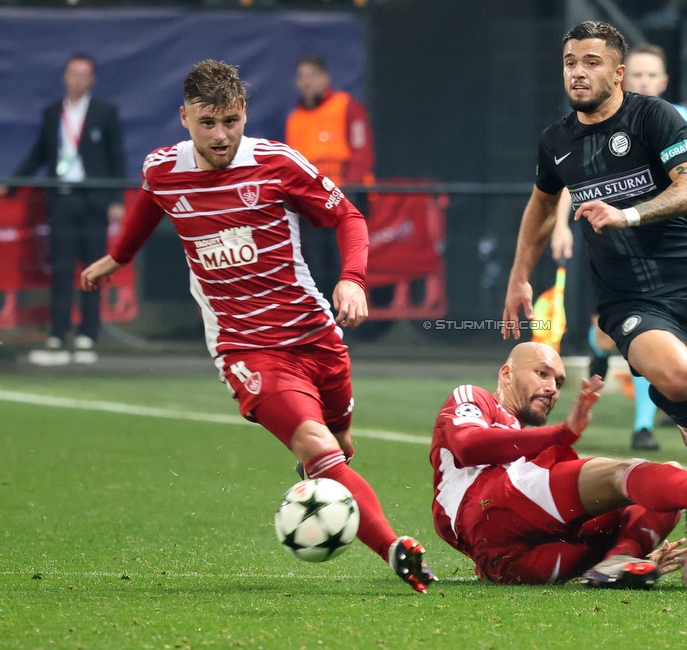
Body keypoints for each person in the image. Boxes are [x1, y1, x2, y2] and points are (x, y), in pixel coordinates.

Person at [79, 60, 436, 594]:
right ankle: (394, 549)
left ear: (243, 113)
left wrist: (354, 280)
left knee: (339, 444)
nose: (220, 136)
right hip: (245, 347)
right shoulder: (162, 170)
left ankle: (323, 471)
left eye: (230, 121)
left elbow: (349, 217)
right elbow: (149, 205)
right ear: (184, 118)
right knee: (317, 445)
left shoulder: (278, 163)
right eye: (207, 124)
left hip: (316, 334)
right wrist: (118, 257)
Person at [502, 21, 687, 587]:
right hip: (627, 297)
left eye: (591, 61)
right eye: (570, 62)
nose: (578, 71)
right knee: (677, 372)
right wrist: (520, 277)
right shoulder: (557, 141)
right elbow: (542, 210)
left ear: (617, 72)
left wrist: (629, 212)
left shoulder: (655, 118)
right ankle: (685, 418)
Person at [430, 342, 687, 588]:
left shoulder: (527, 450)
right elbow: (467, 445)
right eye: (542, 374)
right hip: (483, 506)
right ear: (507, 373)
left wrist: (645, 557)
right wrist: (562, 433)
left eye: (559, 381)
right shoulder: (477, 399)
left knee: (654, 499)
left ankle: (620, 562)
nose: (552, 388)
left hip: (508, 564)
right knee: (621, 475)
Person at [549, 42, 687, 453]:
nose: (643, 82)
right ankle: (601, 354)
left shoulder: (679, 121)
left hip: (670, 247)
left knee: (662, 343)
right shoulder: (597, 119)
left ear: (664, 81)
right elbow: (572, 176)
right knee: (609, 337)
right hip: (613, 248)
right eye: (637, 74)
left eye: (651, 75)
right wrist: (561, 226)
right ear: (622, 76)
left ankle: (645, 426)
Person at [6, 53, 127, 366]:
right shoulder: (52, 113)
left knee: (93, 270)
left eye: (83, 74)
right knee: (60, 270)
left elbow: (117, 157)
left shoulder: (105, 112)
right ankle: (57, 334)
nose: (77, 80)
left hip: (93, 201)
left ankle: (88, 336)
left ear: (92, 80)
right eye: (72, 73)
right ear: (64, 77)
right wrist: (12, 183)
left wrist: (116, 199)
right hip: (61, 199)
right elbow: (39, 154)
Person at [285, 54, 376, 304]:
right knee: (316, 261)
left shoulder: (346, 106)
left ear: (325, 78)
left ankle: (352, 317)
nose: (307, 82)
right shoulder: (295, 119)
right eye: (302, 77)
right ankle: (323, 314)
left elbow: (362, 154)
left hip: (348, 199)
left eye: (312, 76)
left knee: (345, 260)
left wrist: (346, 196)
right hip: (314, 203)